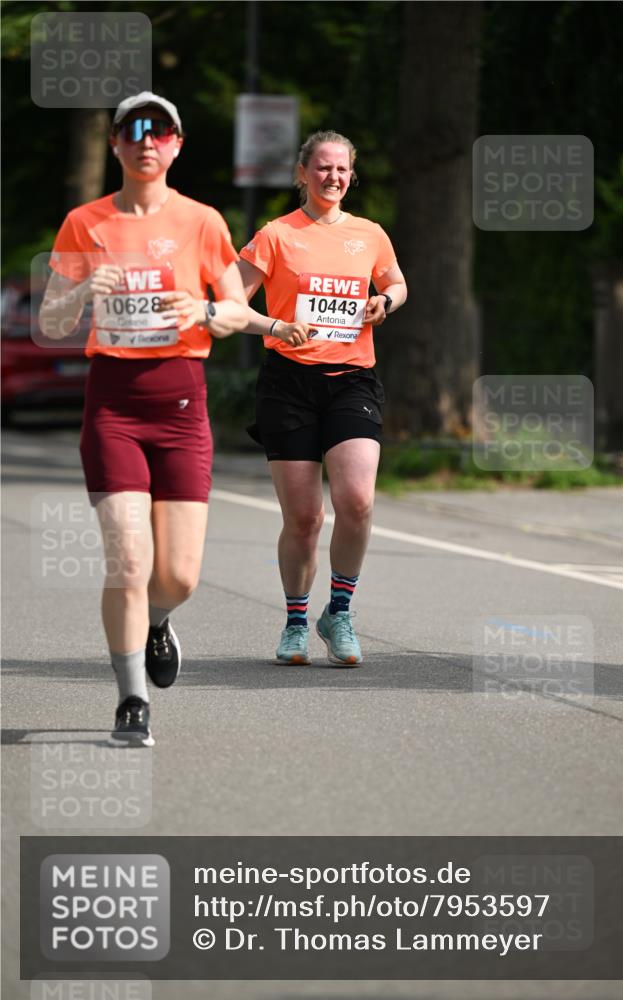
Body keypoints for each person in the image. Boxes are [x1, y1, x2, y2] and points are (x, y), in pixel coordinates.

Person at [40, 92, 248, 746]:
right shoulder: (85, 222)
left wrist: (204, 312)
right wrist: (79, 292)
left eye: (158, 131)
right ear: (115, 145)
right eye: (132, 131)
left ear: (177, 144)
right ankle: (131, 701)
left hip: (182, 402)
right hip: (113, 403)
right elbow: (49, 323)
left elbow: (239, 309)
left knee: (178, 574)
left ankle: (158, 621)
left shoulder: (203, 221)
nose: (145, 141)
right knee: (128, 560)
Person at [237, 130, 407, 667]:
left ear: (351, 175)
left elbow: (398, 284)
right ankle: (294, 622)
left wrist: (385, 301)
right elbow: (229, 304)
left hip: (352, 379)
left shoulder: (369, 234)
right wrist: (276, 324)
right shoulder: (275, 235)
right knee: (305, 518)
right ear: (302, 173)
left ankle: (339, 612)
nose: (332, 177)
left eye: (341, 170)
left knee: (356, 502)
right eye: (322, 168)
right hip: (288, 381)